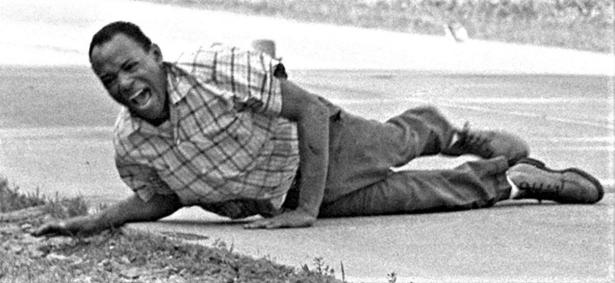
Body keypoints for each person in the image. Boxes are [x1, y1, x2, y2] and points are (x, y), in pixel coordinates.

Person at [33, 21, 603, 237]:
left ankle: (437, 129)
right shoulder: (131, 143)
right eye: (109, 77)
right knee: (426, 196)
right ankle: (516, 179)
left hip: (323, 143)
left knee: (398, 144)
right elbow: (161, 197)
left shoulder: (212, 70)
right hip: (287, 195)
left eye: (131, 66)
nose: (124, 83)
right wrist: (96, 222)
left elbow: (306, 111)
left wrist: (305, 211)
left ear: (156, 55)